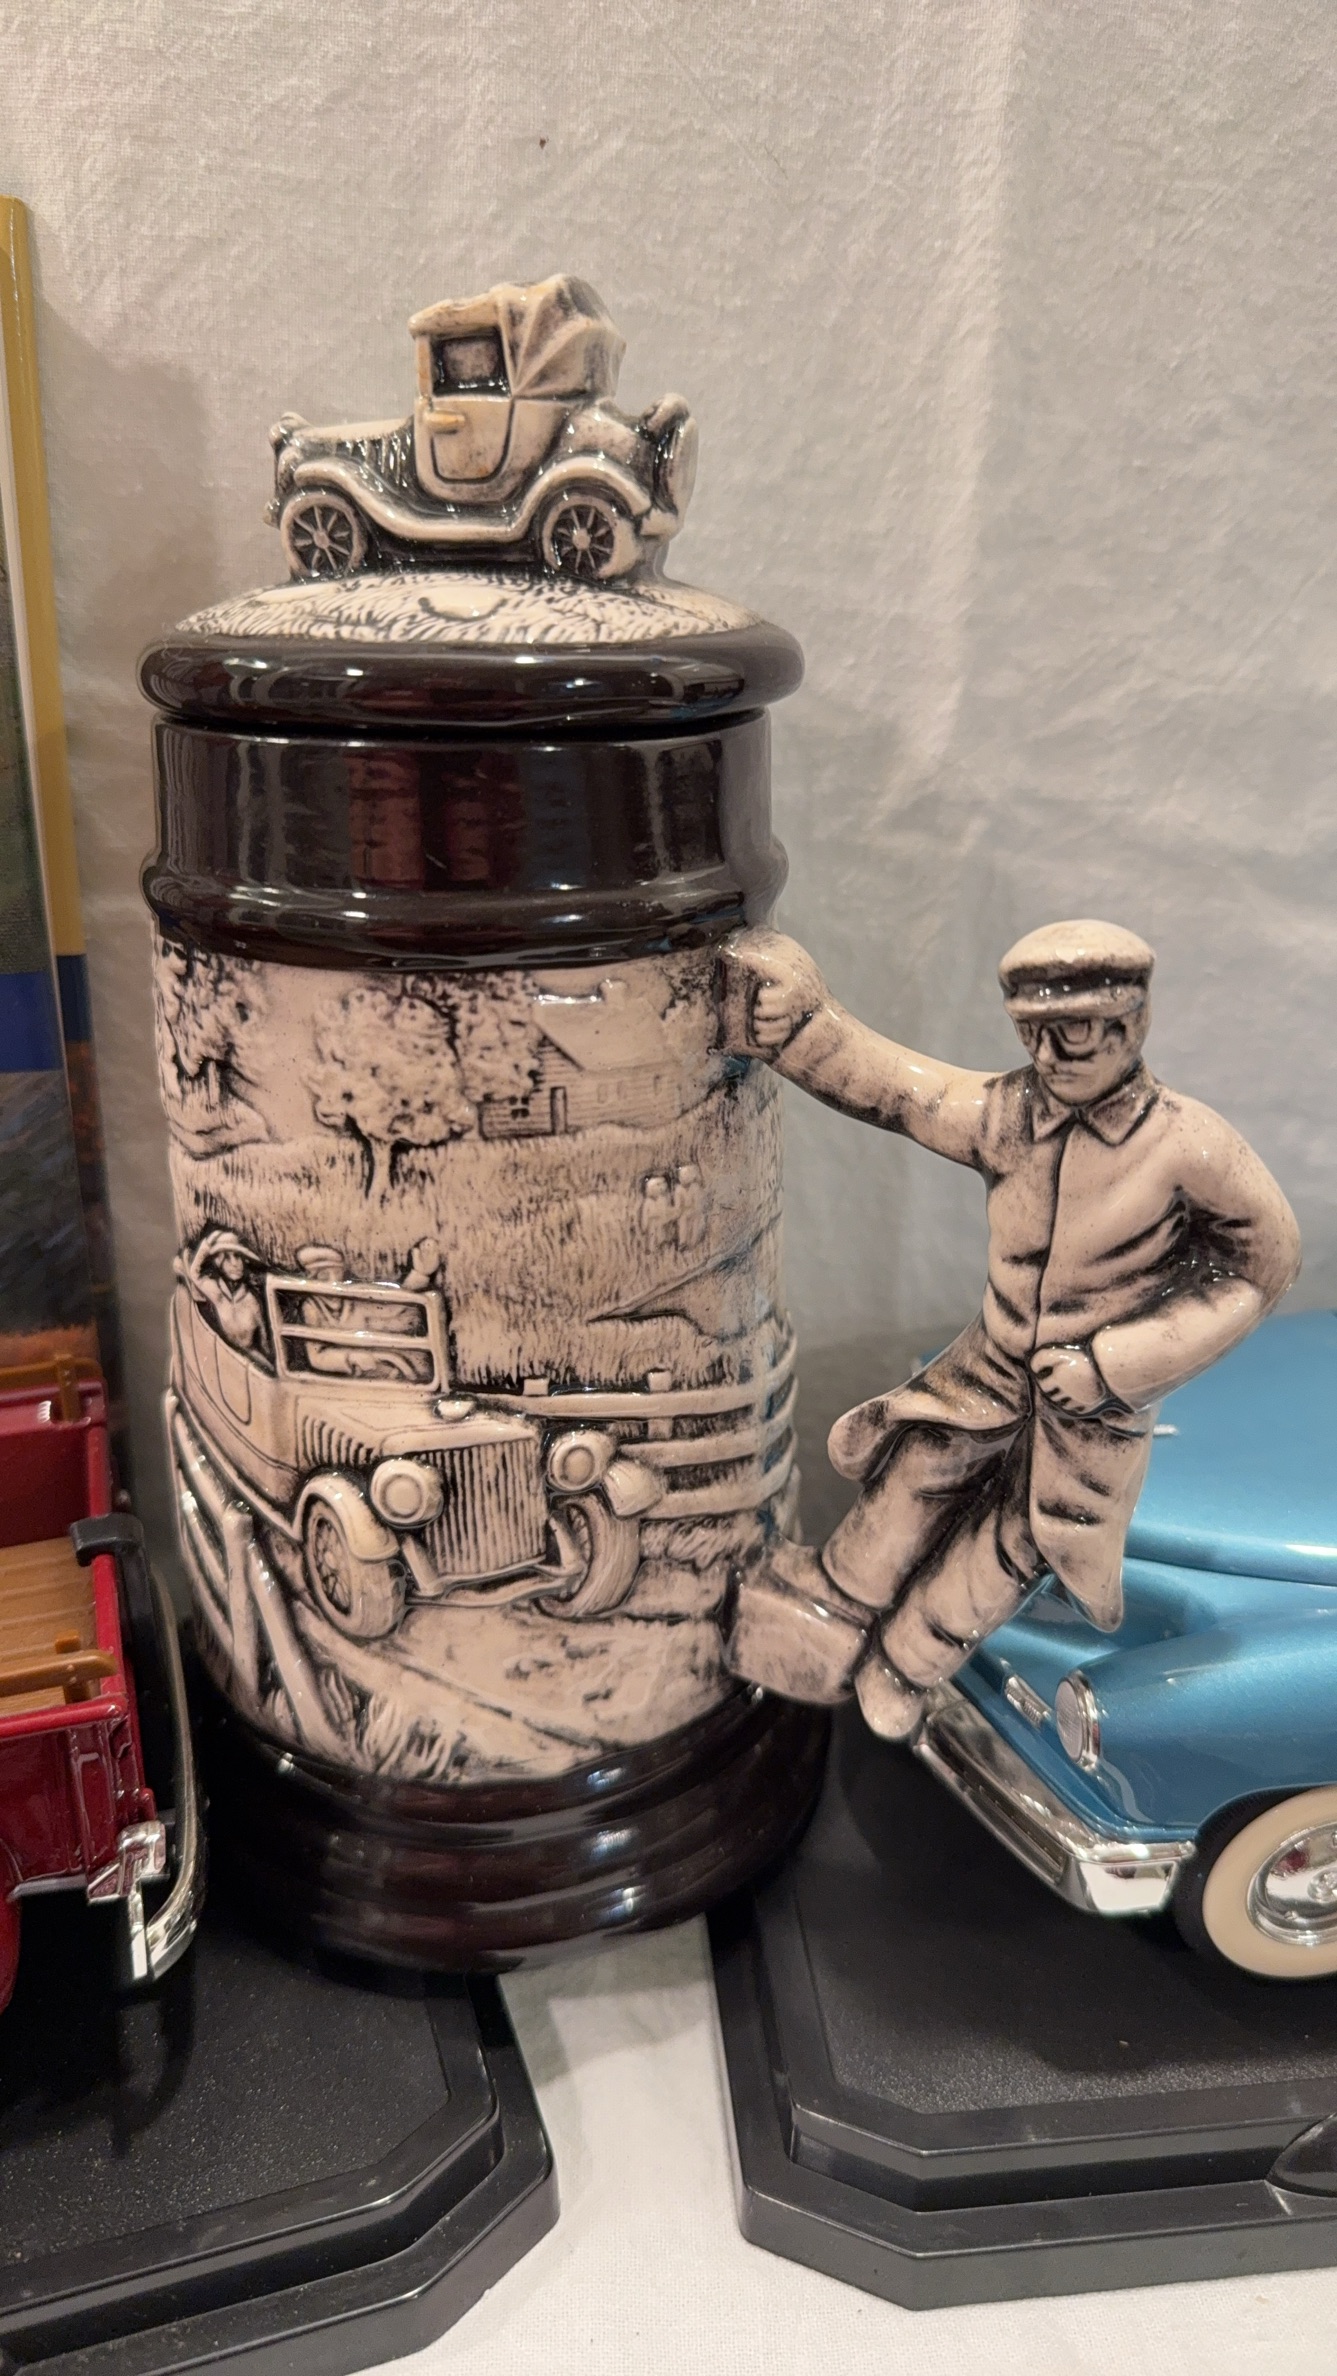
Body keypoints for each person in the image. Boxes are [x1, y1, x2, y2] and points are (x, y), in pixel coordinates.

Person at [722, 919, 1302, 1743]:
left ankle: (906, 1664)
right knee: (917, 1468)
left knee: (1020, 1542)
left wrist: (1112, 1366)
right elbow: (901, 1091)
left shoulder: (1189, 1144)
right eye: (1032, 1034)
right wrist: (803, 1026)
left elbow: (1262, 1266)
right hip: (985, 1369)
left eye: (1072, 1033)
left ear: (1129, 1022)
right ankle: (831, 1612)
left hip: (1092, 1412)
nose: (1050, 1056)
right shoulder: (1008, 1114)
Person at [181, 1228, 269, 1359]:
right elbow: (195, 1274)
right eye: (227, 1257)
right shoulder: (218, 1293)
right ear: (218, 1262)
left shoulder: (252, 1300)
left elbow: (264, 1340)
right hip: (223, 1356)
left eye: (238, 1256)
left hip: (249, 1358)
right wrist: (206, 1245)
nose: (235, 1264)